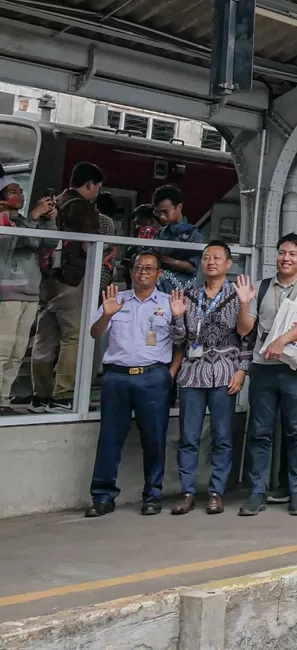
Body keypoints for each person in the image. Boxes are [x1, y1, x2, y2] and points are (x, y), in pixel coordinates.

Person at [84, 252, 177, 517]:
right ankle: (102, 497)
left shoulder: (170, 303)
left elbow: (183, 340)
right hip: (117, 377)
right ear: (132, 272)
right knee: (110, 439)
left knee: (154, 438)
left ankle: (152, 495)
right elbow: (94, 332)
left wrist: (169, 373)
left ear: (159, 274)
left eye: (149, 269)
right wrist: (106, 315)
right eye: (138, 268)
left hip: (153, 377)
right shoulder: (117, 299)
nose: (143, 273)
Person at [168, 244, 256, 516]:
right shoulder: (189, 295)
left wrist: (242, 369)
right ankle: (187, 491)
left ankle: (216, 492)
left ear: (229, 264)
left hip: (224, 372)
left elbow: (246, 334)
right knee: (189, 436)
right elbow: (180, 340)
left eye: (217, 258)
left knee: (221, 436)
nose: (211, 262)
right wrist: (177, 317)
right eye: (206, 258)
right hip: (193, 373)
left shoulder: (237, 294)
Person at [242, 234, 297, 517]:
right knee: (260, 432)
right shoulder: (263, 287)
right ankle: (256, 492)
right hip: (262, 368)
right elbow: (245, 329)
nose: (285, 258)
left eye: (292, 254)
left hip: (294, 370)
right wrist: (244, 303)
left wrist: (281, 342)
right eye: (282, 252)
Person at [46, 161, 105, 411]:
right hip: (74, 278)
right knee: (73, 336)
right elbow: (87, 246)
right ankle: (64, 392)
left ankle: (41, 391)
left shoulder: (56, 202)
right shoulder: (84, 208)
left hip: (50, 278)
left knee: (45, 335)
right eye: (98, 187)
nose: (98, 192)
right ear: (89, 184)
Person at [0, 177, 56, 414]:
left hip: (30, 292)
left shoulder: (24, 221)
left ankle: (3, 398)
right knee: (3, 348)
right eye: (13, 191)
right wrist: (34, 217)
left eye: (21, 190)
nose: (20, 195)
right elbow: (14, 241)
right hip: (6, 292)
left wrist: (49, 222)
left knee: (18, 350)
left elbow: (49, 243)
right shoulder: (5, 220)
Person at [152, 184, 205, 295]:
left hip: (182, 292)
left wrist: (165, 260)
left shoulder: (194, 235)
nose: (161, 217)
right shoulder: (160, 233)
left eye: (165, 212)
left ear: (179, 207)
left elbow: (194, 268)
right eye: (158, 212)